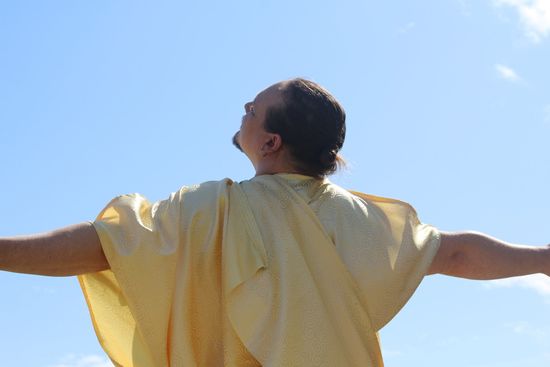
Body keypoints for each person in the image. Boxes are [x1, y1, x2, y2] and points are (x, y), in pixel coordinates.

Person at [1, 78, 548, 367]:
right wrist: (543, 259)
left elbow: (104, 245)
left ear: (270, 142)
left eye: (252, 108)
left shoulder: (210, 208)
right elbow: (457, 253)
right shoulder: (361, 220)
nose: (243, 108)